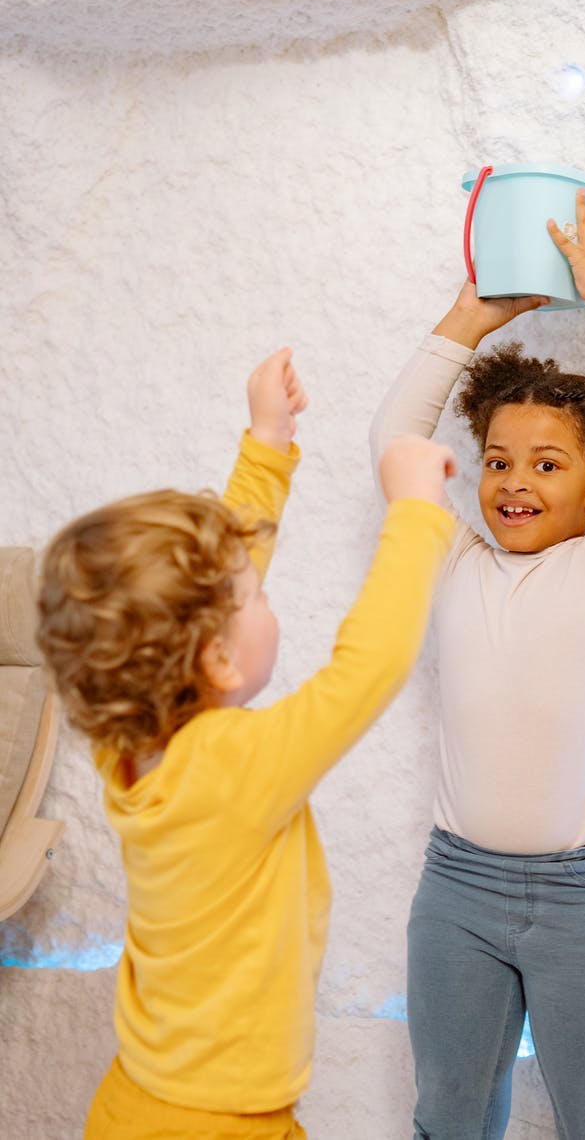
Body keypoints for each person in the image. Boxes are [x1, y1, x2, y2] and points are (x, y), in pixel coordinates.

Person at [37, 346, 456, 1140]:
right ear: (219, 658)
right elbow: (364, 671)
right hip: (223, 1126)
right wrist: (413, 511)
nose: (262, 586)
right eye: (255, 595)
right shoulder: (233, 765)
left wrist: (267, 441)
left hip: (135, 1101)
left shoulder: (130, 740)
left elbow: (209, 578)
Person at [369, 188, 585, 1139]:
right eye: (498, 461)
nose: (514, 481)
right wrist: (468, 318)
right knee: (451, 1118)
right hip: (456, 890)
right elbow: (393, 446)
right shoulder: (450, 562)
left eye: (547, 464)